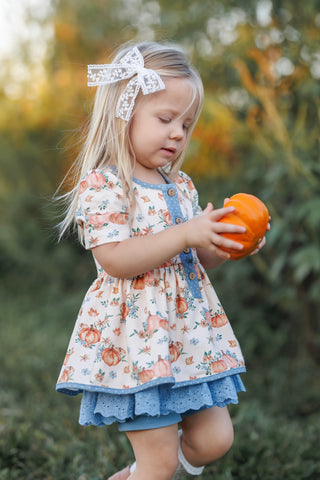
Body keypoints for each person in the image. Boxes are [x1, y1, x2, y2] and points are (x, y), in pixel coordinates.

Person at [56, 41, 268, 480]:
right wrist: (184, 233)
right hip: (137, 346)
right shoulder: (105, 185)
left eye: (187, 124)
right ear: (124, 113)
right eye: (166, 119)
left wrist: (223, 244)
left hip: (189, 342)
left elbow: (195, 258)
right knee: (160, 463)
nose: (178, 133)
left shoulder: (182, 185)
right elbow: (114, 259)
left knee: (214, 440)